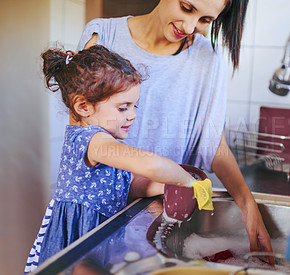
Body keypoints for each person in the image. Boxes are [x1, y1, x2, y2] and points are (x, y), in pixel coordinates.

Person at [77, 0, 275, 264]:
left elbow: (214, 144)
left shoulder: (208, 58)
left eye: (205, 20)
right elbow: (84, 138)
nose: (190, 26)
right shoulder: (103, 37)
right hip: (103, 215)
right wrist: (154, 182)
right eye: (187, 8)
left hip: (166, 217)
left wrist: (248, 206)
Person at [24, 45, 210, 273]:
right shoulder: (92, 141)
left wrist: (165, 186)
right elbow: (151, 164)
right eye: (123, 108)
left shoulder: (103, 141)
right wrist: (187, 181)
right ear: (83, 106)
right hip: (80, 241)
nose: (132, 115)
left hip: (100, 238)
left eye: (134, 106)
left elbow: (124, 186)